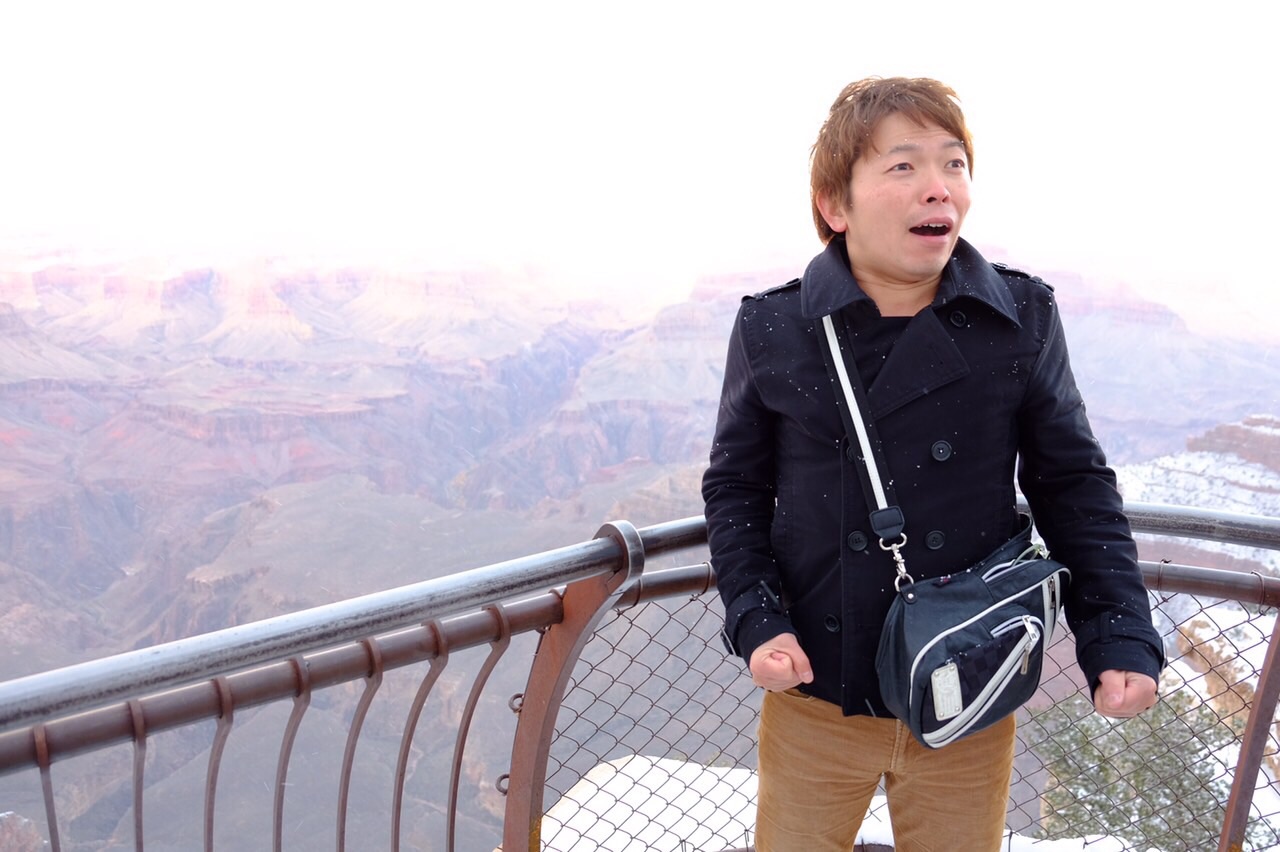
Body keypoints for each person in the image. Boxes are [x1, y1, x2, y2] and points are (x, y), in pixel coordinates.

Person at [701, 77, 1165, 852]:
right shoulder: (776, 327)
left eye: (954, 164)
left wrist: (1118, 633)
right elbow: (736, 490)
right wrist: (757, 619)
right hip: (816, 692)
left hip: (968, 687)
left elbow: (1073, 485)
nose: (939, 186)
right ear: (835, 204)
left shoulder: (1019, 318)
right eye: (904, 165)